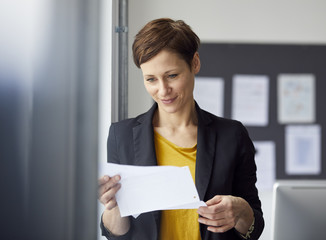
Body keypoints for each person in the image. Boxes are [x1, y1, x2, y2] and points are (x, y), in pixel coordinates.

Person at [98, 18, 264, 240]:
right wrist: (113, 205)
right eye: (151, 79)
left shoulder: (232, 135)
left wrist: (241, 209)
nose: (163, 90)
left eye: (172, 76)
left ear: (194, 63)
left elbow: (255, 227)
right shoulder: (122, 136)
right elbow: (116, 234)